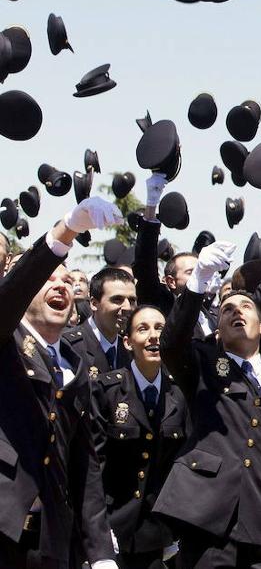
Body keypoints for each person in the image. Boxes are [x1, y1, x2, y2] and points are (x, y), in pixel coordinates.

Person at [154, 241, 261, 568]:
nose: (235, 311)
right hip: (208, 517)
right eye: (227, 309)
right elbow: (172, 344)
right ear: (217, 330)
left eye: (245, 307)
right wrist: (198, 281)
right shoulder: (204, 361)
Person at [0, 196, 122, 569]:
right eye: (49, 278)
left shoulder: (73, 362)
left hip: (51, 541)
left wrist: (100, 553)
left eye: (68, 279)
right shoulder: (5, 338)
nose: (61, 285)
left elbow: (85, 463)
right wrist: (65, 231)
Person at [90, 305, 189, 569]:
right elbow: (93, 467)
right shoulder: (106, 390)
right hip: (112, 527)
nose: (153, 336)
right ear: (128, 341)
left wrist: (175, 527)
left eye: (160, 328)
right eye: (143, 329)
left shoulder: (179, 395)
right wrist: (96, 531)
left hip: (157, 533)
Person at [64, 266, 136, 377]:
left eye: (132, 300)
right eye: (117, 299)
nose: (127, 307)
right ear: (94, 303)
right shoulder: (69, 347)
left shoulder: (131, 352)